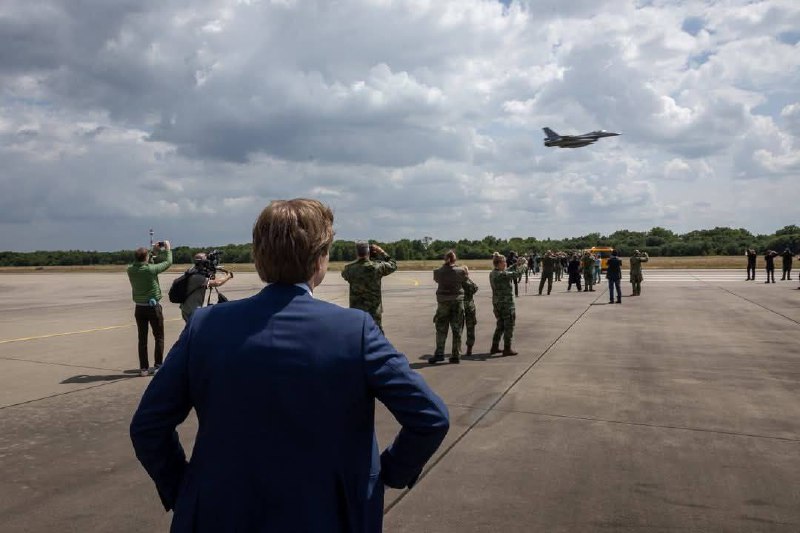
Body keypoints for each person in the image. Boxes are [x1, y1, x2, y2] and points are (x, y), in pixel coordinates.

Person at [130, 199, 449, 533]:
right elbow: (430, 418)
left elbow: (149, 426)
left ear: (258, 258)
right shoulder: (354, 330)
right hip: (328, 516)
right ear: (320, 258)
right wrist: (386, 477)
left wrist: (185, 490)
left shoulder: (205, 326)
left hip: (218, 513)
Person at [127, 240, 172, 377]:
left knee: (142, 338)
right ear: (146, 258)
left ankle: (144, 368)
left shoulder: (130, 269)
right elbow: (168, 262)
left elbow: (143, 262)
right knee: (159, 337)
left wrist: (153, 253)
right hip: (153, 308)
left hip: (139, 308)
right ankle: (158, 365)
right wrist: (168, 249)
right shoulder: (150, 269)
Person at [341, 241, 397, 331]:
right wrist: (381, 252)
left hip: (357, 311)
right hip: (374, 311)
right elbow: (393, 264)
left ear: (357, 252)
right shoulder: (378, 267)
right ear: (368, 252)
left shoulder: (349, 269)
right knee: (376, 335)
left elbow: (345, 275)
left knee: (358, 335)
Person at [431, 250, 468, 364]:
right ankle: (456, 355)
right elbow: (465, 279)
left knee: (441, 329)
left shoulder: (437, 271)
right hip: (457, 302)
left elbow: (436, 279)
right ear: (454, 259)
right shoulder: (461, 271)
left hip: (443, 302)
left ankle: (439, 353)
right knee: (457, 330)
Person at [179, 253, 233, 322]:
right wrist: (228, 276)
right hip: (191, 310)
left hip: (187, 308)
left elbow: (210, 278)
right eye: (206, 262)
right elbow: (217, 283)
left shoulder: (192, 270)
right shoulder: (196, 276)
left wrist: (212, 271)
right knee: (196, 330)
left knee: (193, 329)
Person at [489, 252, 520, 356]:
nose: (506, 263)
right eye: (504, 262)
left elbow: (507, 271)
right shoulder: (501, 274)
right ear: (499, 263)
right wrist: (524, 266)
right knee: (509, 326)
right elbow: (516, 274)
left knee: (500, 326)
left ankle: (494, 347)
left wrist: (516, 264)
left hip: (498, 304)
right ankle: (507, 348)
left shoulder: (494, 273)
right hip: (506, 305)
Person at [462, 275, 479, 357]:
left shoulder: (455, 281)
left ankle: (456, 349)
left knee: (458, 329)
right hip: (469, 307)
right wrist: (467, 278)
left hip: (458, 307)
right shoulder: (466, 281)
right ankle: (469, 348)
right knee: (470, 328)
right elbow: (475, 288)